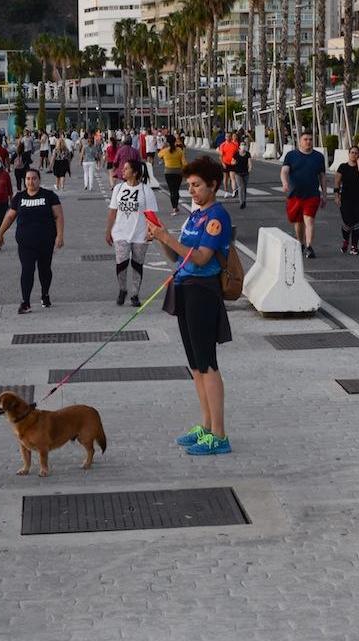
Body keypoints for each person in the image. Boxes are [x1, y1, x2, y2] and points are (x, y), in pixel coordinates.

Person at [146, 156, 232, 457]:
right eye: (189, 186)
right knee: (195, 365)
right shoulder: (195, 217)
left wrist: (169, 236)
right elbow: (177, 258)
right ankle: (206, 425)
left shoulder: (216, 217)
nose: (192, 191)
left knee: (208, 363)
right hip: (184, 289)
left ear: (213, 185)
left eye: (196, 185)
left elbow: (200, 258)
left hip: (203, 292)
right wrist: (159, 238)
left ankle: (219, 434)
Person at [0, 168, 65, 314]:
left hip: (46, 241)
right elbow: (9, 217)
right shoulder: (19, 197)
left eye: (34, 178)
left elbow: (58, 216)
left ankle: (45, 294)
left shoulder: (49, 196)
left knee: (44, 270)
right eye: (28, 179)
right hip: (25, 242)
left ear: (39, 180)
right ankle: (25, 302)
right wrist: (0, 233)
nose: (30, 181)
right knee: (27, 270)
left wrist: (60, 236)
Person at [104, 159, 157, 307]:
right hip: (120, 232)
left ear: (134, 173)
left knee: (137, 265)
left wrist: (152, 232)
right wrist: (108, 231)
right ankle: (122, 289)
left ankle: (135, 294)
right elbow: (112, 211)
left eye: (126, 169)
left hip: (140, 233)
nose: (123, 170)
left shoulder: (146, 190)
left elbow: (151, 215)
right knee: (121, 263)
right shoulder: (118, 188)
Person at [280, 131, 328, 258]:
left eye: (311, 139)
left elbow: (322, 176)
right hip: (295, 194)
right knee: (298, 222)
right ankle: (300, 242)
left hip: (312, 195)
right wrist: (285, 183)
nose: (308, 142)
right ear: (299, 141)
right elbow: (284, 171)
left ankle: (309, 246)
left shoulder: (318, 157)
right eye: (305, 139)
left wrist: (324, 194)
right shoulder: (291, 155)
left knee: (309, 220)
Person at [334, 146, 359, 255]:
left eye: (356, 153)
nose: (354, 155)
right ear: (348, 154)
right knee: (347, 223)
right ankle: (346, 240)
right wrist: (336, 195)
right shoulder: (343, 167)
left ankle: (354, 246)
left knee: (356, 223)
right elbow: (337, 182)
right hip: (346, 198)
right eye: (352, 152)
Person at [158, 134, 186, 216]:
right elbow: (184, 163)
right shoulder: (180, 150)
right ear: (175, 141)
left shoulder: (165, 150)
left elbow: (159, 155)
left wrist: (164, 147)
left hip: (168, 172)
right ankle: (176, 206)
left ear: (167, 142)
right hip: (178, 172)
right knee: (176, 190)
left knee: (171, 190)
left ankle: (174, 208)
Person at [233, 136, 253, 209]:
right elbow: (232, 161)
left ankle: (244, 200)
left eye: (244, 145)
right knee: (241, 187)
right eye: (242, 145)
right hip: (238, 173)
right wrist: (233, 162)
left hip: (246, 173)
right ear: (239, 147)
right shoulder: (236, 154)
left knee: (244, 188)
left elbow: (249, 162)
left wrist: (250, 168)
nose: (243, 146)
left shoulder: (248, 154)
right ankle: (241, 202)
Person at [218, 132, 240, 197]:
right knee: (225, 178)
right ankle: (226, 191)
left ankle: (234, 191)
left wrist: (236, 161)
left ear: (231, 137)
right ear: (225, 137)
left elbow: (237, 154)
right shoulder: (222, 145)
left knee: (232, 178)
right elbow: (220, 156)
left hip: (232, 163)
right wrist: (222, 163)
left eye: (229, 136)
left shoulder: (235, 145)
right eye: (227, 136)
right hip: (225, 163)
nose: (228, 137)